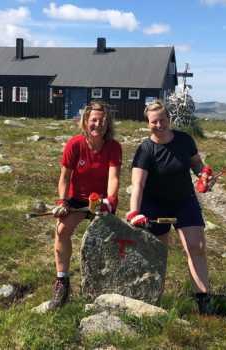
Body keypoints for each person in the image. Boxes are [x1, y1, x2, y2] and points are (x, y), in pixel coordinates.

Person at [127, 100, 215, 314]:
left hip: (184, 201)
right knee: (158, 253)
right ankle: (153, 298)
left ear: (169, 119)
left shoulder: (184, 140)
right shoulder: (146, 149)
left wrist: (204, 176)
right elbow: (138, 184)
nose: (159, 125)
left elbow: (197, 165)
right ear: (148, 123)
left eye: (163, 120)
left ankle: (203, 300)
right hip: (154, 204)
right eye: (154, 121)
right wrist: (134, 212)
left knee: (196, 247)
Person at [51, 101, 122, 308]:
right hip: (77, 199)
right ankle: (62, 281)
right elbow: (64, 177)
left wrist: (110, 200)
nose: (97, 125)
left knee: (107, 240)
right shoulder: (75, 144)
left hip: (101, 201)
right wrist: (63, 202)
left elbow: (114, 177)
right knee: (62, 229)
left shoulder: (113, 147)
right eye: (93, 120)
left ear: (107, 124)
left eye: (102, 121)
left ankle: (104, 282)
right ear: (85, 122)